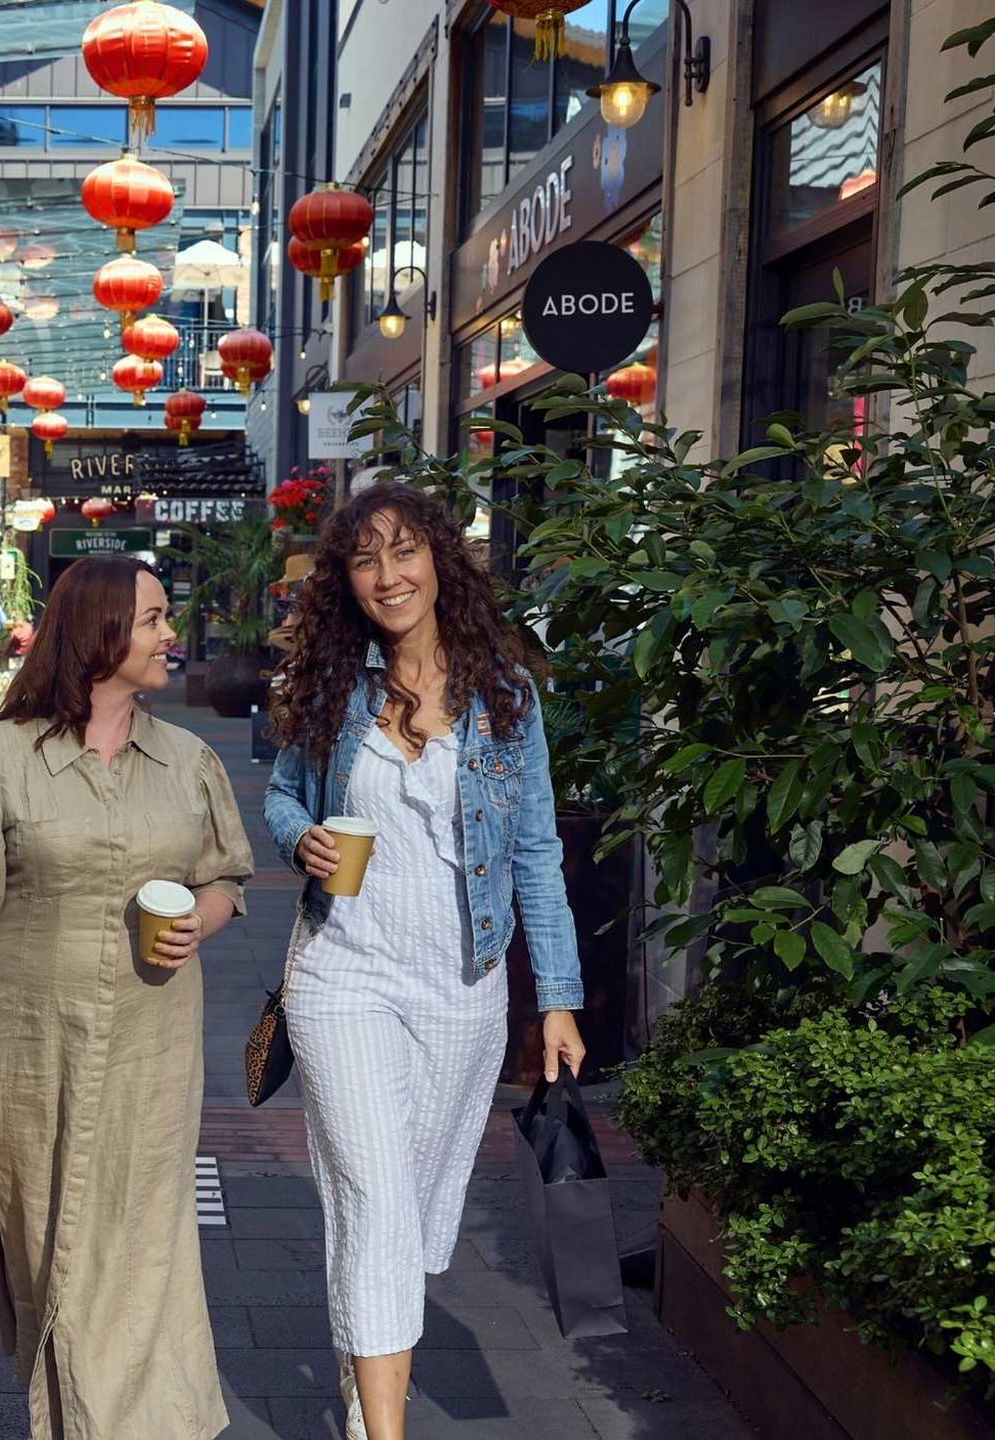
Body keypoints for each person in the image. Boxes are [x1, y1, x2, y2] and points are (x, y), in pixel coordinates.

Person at [0, 555, 253, 1440]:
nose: (172, 635)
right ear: (100, 633)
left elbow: (229, 877)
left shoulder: (189, 760)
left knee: (143, 1245)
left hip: (153, 1040)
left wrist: (202, 918)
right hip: (23, 1043)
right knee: (49, 1245)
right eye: (155, 619)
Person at [264, 483, 588, 1440]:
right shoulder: (330, 684)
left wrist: (557, 1000)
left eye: (404, 553)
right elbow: (284, 797)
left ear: (442, 560)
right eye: (365, 560)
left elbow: (535, 852)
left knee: (406, 1209)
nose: (387, 576)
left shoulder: (505, 694)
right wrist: (301, 841)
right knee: (373, 1190)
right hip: (341, 974)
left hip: (461, 986)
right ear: (346, 581)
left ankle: (366, 1386)